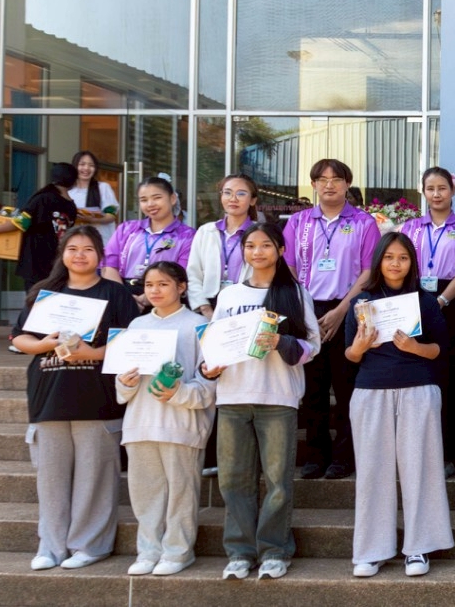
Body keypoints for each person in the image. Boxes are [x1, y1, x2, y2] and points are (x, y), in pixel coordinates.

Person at [9, 226, 136, 571]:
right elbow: (20, 338)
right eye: (73, 248)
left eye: (88, 249)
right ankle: (50, 547)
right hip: (49, 394)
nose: (80, 255)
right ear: (62, 254)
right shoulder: (46, 293)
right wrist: (44, 344)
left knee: (95, 479)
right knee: (51, 479)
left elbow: (130, 340)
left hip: (97, 396)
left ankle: (90, 545)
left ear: (100, 255)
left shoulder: (115, 293)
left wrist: (90, 354)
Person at [201, 221, 318, 581]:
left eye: (265, 245)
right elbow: (213, 344)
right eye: (250, 246)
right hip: (233, 396)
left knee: (278, 481)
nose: (257, 252)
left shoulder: (294, 293)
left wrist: (281, 342)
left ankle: (274, 550)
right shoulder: (229, 295)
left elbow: (313, 347)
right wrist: (208, 367)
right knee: (233, 480)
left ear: (280, 251)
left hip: (278, 396)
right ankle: (239, 551)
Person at [343, 232, 454, 578]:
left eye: (403, 258)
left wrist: (414, 348)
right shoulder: (362, 302)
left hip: (417, 389)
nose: (395, 264)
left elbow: (441, 350)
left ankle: (418, 547)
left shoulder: (425, 301)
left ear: (412, 263)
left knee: (420, 469)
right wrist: (361, 346)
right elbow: (350, 355)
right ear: (379, 261)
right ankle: (371, 550)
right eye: (389, 257)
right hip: (371, 391)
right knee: (372, 472)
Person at [281, 158, 379, 480]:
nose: (329, 184)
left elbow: (369, 271)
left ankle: (344, 456)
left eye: (336, 179)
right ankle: (315, 454)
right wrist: (304, 307)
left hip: (348, 310)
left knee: (346, 386)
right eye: (322, 179)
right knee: (313, 388)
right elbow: (288, 265)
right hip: (307, 309)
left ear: (347, 184)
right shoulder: (298, 222)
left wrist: (341, 311)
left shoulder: (364, 223)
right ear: (313, 185)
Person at [114, 261, 214, 577]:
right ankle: (148, 550)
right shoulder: (136, 326)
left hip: (182, 424)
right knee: (145, 493)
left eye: (163, 284)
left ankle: (178, 551)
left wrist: (179, 393)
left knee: (181, 492)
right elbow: (121, 385)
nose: (155, 290)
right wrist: (125, 382)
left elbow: (209, 383)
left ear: (182, 287)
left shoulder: (198, 325)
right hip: (140, 421)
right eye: (149, 285)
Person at [395, 167, 455, 472]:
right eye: (430, 188)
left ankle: (446, 454)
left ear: (452, 191)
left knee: (450, 379)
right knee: (416, 375)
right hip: (414, 299)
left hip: (452, 302)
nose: (436, 194)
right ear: (423, 192)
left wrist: (442, 300)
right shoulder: (410, 228)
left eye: (442, 188)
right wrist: (417, 301)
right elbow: (401, 265)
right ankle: (414, 453)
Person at [0, 164, 81, 312]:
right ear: (73, 181)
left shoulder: (42, 198)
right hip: (58, 261)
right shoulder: (71, 206)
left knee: (35, 303)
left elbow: (21, 222)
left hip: (35, 260)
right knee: (53, 303)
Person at [103, 177, 195, 299]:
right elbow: (109, 265)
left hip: (165, 296)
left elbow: (182, 273)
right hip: (123, 292)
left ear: (172, 199)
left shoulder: (188, 235)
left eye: (157, 198)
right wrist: (125, 298)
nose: (150, 204)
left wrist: (147, 298)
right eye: (144, 200)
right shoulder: (126, 229)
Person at [187, 174, 258, 317]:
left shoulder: (260, 233)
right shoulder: (206, 231)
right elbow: (193, 274)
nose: (233, 199)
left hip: (248, 306)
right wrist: (205, 308)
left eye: (241, 193)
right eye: (227, 193)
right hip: (209, 304)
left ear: (252, 200)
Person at [67, 150, 120, 227]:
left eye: (91, 165)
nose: (86, 168)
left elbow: (111, 215)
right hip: (75, 233)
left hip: (100, 234)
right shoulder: (68, 192)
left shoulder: (103, 187)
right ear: (74, 167)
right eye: (82, 164)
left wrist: (93, 220)